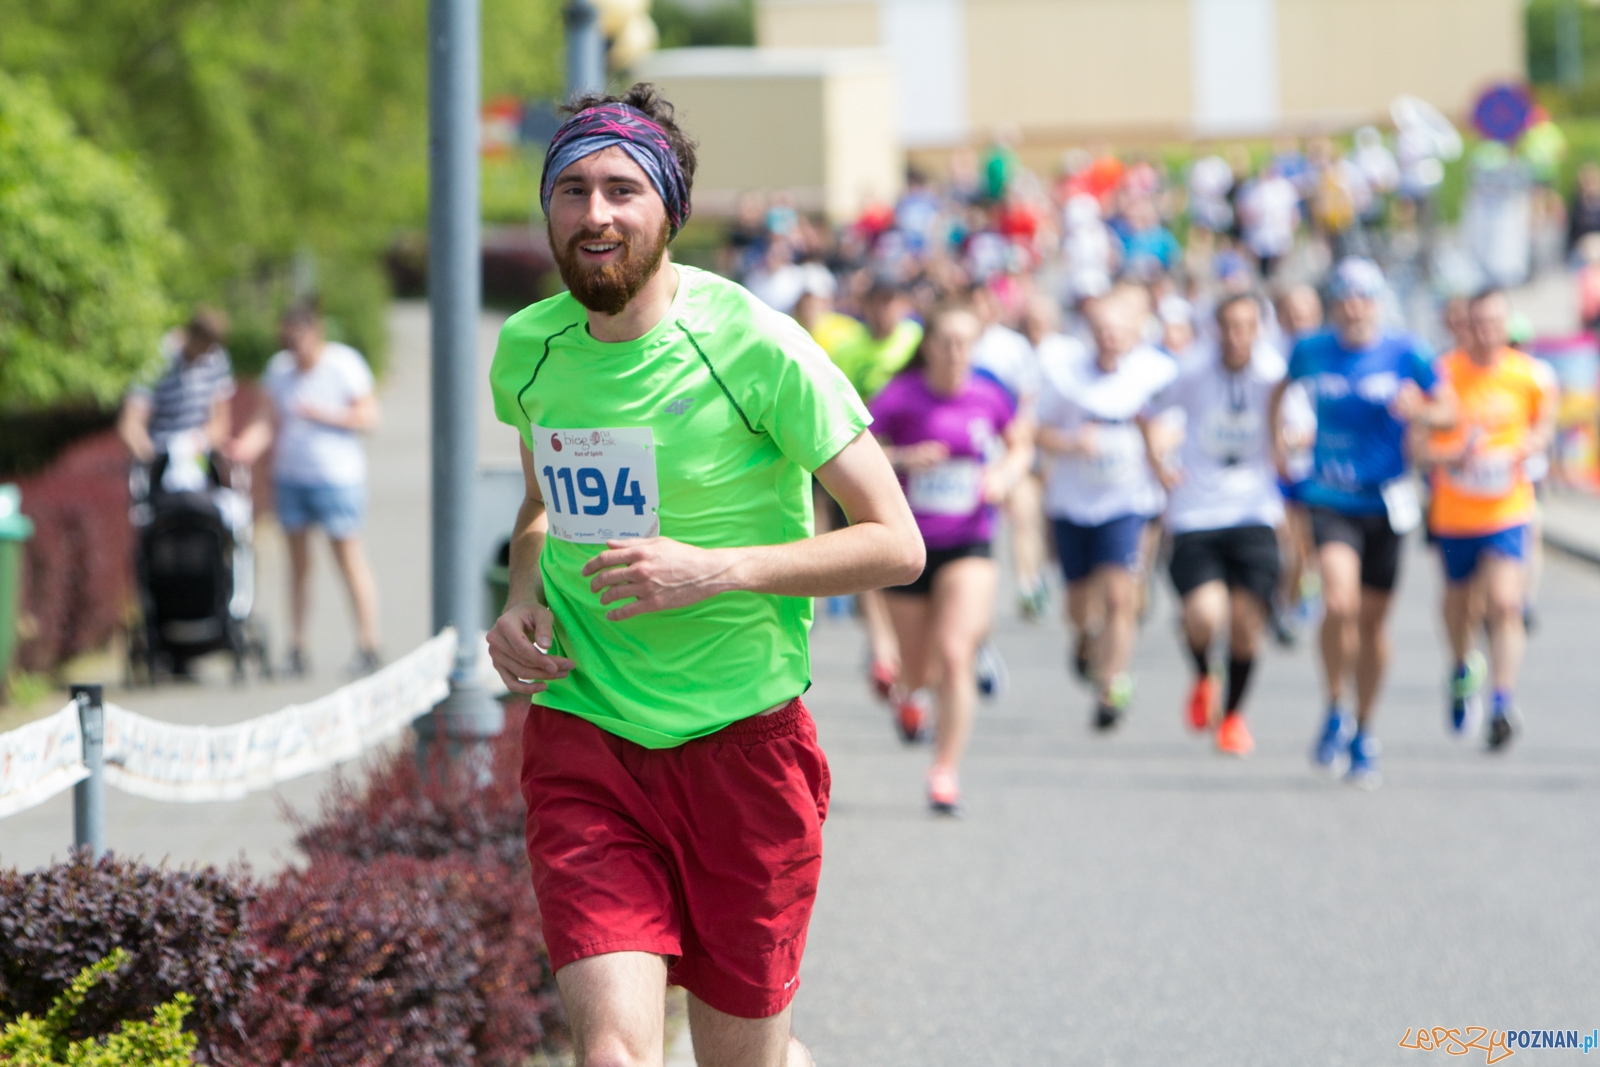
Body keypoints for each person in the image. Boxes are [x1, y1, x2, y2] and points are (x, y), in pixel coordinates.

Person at [484, 85, 922, 1067]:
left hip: (743, 749)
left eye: (621, 189)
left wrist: (716, 570)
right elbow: (541, 505)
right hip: (589, 736)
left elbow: (896, 541)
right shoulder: (528, 350)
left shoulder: (755, 345)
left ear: (669, 210)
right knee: (613, 1051)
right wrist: (520, 596)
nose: (594, 213)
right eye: (571, 190)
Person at [1269, 258, 1454, 786]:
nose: (1353, 308)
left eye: (1362, 298)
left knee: (1372, 625)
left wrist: (1420, 410)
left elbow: (1449, 408)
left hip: (1385, 502)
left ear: (1376, 304)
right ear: (1334, 305)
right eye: (1344, 299)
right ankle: (1334, 705)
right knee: (1339, 601)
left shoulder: (1407, 351)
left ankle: (1364, 728)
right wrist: (1276, 445)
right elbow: (1279, 392)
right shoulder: (1311, 350)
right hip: (1329, 495)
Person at [871, 302, 1031, 812]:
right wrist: (904, 458)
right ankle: (912, 696)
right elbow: (857, 451)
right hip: (909, 546)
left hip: (969, 538)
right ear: (929, 346)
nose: (957, 352)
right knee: (917, 668)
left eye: (966, 342)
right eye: (948, 342)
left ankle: (944, 770)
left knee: (956, 653)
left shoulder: (989, 394)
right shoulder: (900, 396)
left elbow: (1020, 444)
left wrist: (1004, 475)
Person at [1143, 294, 1285, 755]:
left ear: (1259, 329)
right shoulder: (1191, 370)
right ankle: (1205, 674)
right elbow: (1148, 410)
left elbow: (1298, 424)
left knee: (1246, 625)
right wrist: (1158, 464)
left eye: (1247, 326)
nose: (1238, 336)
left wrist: (1289, 445)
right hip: (1196, 513)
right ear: (1215, 329)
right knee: (1204, 616)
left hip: (1254, 511)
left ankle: (1234, 716)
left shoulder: (1274, 373)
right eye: (1230, 326)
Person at [1417, 290, 1555, 751]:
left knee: (1505, 603)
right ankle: (1461, 668)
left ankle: (1501, 702)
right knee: (1460, 606)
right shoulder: (1442, 375)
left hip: (1507, 509)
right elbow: (1417, 448)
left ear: (1506, 325)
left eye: (1494, 323)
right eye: (1477, 323)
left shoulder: (1530, 376)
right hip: (1455, 513)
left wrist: (1533, 443)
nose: (1485, 332)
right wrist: (1451, 456)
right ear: (1464, 326)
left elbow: (1544, 425)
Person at [1036, 290, 1178, 730]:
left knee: (1120, 595)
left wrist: (1160, 447)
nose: (1110, 338)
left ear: (1135, 334)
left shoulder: (1153, 375)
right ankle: (1085, 637)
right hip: (1074, 503)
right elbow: (1036, 431)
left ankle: (1112, 684)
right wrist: (1071, 442)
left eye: (1118, 331)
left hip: (1127, 502)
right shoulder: (1066, 376)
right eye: (1101, 330)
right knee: (1079, 605)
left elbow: (1175, 424)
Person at [230, 305, 382, 678]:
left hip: (336, 477)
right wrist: (244, 448)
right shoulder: (279, 370)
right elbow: (266, 419)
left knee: (347, 559)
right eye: (288, 340)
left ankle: (368, 644)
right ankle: (297, 647)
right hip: (291, 476)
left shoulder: (344, 364)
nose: (294, 348)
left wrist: (323, 414)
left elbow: (369, 416)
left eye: (299, 339)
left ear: (315, 334)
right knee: (297, 565)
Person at [118, 308, 235, 466]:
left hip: (199, 453)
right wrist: (152, 458)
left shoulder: (216, 358)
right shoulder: (159, 358)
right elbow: (131, 423)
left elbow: (220, 421)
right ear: (190, 335)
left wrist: (199, 441)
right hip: (159, 452)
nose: (204, 355)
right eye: (202, 347)